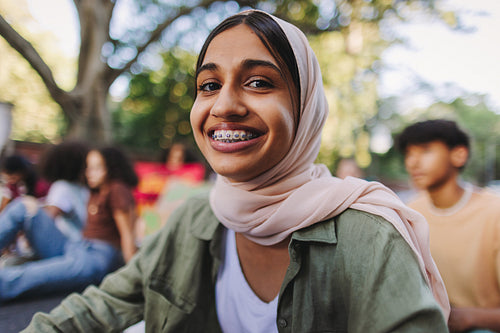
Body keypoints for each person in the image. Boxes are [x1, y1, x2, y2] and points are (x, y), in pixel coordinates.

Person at [24, 10, 449, 332]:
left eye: (260, 82)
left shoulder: (368, 237)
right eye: (209, 85)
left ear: (305, 109)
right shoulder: (195, 218)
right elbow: (96, 308)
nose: (224, 106)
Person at [398, 119, 500, 333]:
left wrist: (469, 317)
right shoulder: (410, 212)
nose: (412, 163)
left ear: (458, 155)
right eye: (409, 153)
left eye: (425, 150)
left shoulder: (494, 212)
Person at [0, 145, 138, 302]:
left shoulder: (118, 190)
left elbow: (128, 236)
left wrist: (134, 280)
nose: (89, 173)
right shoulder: (95, 191)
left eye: (96, 168)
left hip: (94, 259)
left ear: (112, 169)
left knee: (24, 276)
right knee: (23, 207)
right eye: (88, 168)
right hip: (76, 246)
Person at [0, 143, 89, 265]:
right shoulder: (81, 189)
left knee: (22, 207)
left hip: (66, 249)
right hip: (80, 248)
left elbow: (48, 217)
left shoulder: (62, 188)